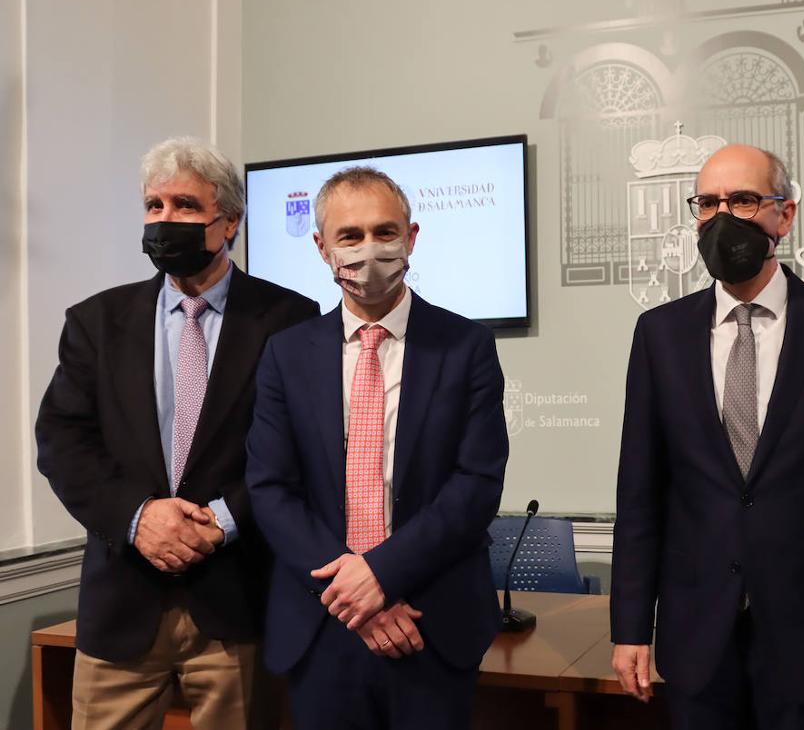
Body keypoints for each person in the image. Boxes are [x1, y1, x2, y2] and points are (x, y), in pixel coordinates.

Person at [610, 144, 804, 729]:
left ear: (785, 216)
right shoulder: (659, 334)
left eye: (743, 200)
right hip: (697, 636)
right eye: (709, 203)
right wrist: (629, 629)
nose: (724, 218)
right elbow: (640, 496)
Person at [35, 136, 319, 728]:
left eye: (185, 206)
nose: (166, 221)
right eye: (154, 206)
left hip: (238, 602)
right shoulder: (96, 323)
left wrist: (223, 520)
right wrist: (139, 518)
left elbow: (300, 450)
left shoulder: (288, 319)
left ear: (230, 223)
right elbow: (63, 442)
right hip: (122, 602)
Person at [246, 166, 508, 729]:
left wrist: (382, 575)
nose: (370, 249)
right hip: (322, 623)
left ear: (411, 238)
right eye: (350, 236)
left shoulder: (466, 346)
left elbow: (476, 484)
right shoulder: (285, 355)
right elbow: (271, 489)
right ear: (321, 248)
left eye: (385, 232)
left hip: (430, 621)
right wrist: (354, 589)